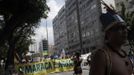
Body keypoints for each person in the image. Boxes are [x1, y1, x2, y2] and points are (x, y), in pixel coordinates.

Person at [89, 2, 133, 75]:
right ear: (108, 33)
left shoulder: (124, 54)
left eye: (125, 27)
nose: (125, 31)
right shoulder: (101, 56)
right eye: (119, 28)